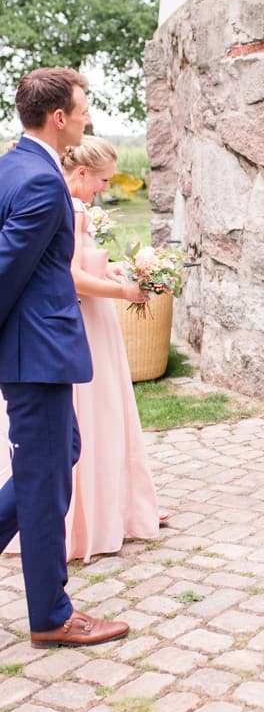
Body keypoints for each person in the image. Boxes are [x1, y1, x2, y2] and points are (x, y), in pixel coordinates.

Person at [0, 67, 127, 646]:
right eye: (82, 109)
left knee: (57, 456)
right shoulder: (41, 182)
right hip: (37, 353)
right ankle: (51, 615)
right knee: (46, 480)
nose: (87, 118)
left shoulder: (12, 165)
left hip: (35, 349)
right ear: (58, 118)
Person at [61, 138, 162, 558]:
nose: (105, 187)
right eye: (102, 180)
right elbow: (72, 277)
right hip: (85, 319)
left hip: (95, 319)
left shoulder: (79, 208)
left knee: (105, 410)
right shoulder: (70, 210)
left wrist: (122, 268)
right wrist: (125, 292)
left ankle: (116, 503)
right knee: (95, 411)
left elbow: (88, 265)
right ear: (82, 174)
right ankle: (91, 516)